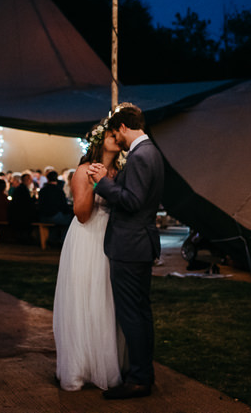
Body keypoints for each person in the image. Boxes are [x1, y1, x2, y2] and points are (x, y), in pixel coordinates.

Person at [88, 103, 164, 400]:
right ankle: (143, 374)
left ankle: (138, 380)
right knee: (141, 314)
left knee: (132, 314)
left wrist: (102, 183)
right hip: (140, 243)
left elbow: (132, 201)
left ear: (122, 128)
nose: (115, 139)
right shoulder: (152, 152)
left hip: (130, 245)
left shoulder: (141, 156)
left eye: (116, 132)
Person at [53, 119, 126, 392]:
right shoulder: (84, 170)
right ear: (99, 140)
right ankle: (82, 365)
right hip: (88, 238)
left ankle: (108, 364)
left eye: (118, 133)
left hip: (114, 239)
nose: (116, 137)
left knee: (108, 299)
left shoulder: (122, 171)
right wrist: (98, 184)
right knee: (86, 297)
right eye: (110, 133)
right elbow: (82, 215)